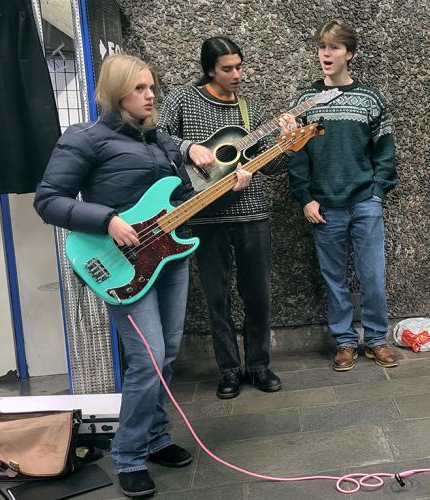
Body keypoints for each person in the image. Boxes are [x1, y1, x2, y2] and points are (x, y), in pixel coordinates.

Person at [35, 54, 251, 497]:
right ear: (117, 94)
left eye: (152, 87)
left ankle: (154, 438)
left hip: (168, 259)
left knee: (166, 354)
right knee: (148, 358)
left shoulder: (163, 142)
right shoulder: (86, 138)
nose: (151, 95)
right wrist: (107, 220)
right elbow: (49, 200)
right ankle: (129, 454)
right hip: (116, 263)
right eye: (140, 89)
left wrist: (229, 190)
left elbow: (186, 207)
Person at [160, 36, 292, 400]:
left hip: (252, 213)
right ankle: (229, 370)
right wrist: (190, 147)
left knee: (258, 295)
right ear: (209, 70)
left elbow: (276, 166)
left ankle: (259, 365)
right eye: (228, 69)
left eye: (239, 66)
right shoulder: (183, 99)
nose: (237, 74)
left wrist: (288, 141)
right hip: (204, 214)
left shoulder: (252, 109)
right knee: (217, 298)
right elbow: (157, 136)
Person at [288, 19, 398, 371]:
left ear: (349, 53)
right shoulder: (306, 101)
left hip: (365, 202)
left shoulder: (370, 99)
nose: (326, 53)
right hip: (324, 207)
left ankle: (377, 339)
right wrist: (305, 197)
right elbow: (296, 155)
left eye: (334, 47)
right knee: (333, 279)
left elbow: (385, 152)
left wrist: (378, 193)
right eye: (322, 47)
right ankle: (345, 342)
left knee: (372, 277)